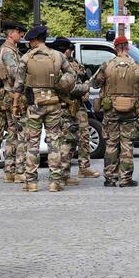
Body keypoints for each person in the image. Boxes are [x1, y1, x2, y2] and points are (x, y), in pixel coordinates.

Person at [15, 25, 75, 193]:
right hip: (54, 102)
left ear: (34, 40)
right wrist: (60, 85)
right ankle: (55, 182)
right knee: (54, 141)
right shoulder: (58, 56)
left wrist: (15, 104)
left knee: (32, 143)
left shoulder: (26, 58)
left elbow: (18, 85)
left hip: (34, 104)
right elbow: (72, 75)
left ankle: (31, 182)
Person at [92, 35, 139, 187]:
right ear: (128, 48)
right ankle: (126, 179)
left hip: (110, 110)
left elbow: (96, 84)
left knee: (111, 144)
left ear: (115, 48)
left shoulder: (107, 65)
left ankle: (110, 178)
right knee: (127, 144)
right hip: (131, 110)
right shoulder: (138, 66)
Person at [50, 37, 99, 179]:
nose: (69, 53)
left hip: (78, 105)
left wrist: (86, 91)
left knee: (84, 136)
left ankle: (84, 167)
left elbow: (83, 78)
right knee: (66, 139)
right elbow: (66, 87)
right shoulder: (54, 64)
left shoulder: (74, 63)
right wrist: (84, 88)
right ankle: (62, 172)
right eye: (68, 50)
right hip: (63, 106)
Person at [0, 21, 26, 180]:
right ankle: (11, 170)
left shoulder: (6, 51)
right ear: (11, 33)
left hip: (3, 98)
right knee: (14, 134)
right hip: (9, 96)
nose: (21, 35)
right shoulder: (8, 52)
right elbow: (15, 73)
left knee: (4, 134)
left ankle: (3, 170)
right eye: (19, 32)